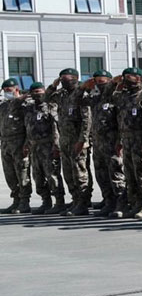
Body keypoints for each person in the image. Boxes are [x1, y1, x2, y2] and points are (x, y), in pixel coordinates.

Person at [47, 68, 91, 216]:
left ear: (75, 78)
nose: (64, 81)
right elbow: (45, 99)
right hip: (65, 140)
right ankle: (76, 200)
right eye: (62, 79)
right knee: (68, 173)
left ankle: (83, 203)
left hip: (77, 141)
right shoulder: (61, 95)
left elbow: (86, 120)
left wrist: (83, 140)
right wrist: (53, 86)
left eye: (67, 78)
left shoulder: (81, 94)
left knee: (80, 173)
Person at [115, 68, 142, 219]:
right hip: (126, 139)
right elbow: (112, 101)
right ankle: (136, 204)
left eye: (129, 77)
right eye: (125, 78)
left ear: (138, 78)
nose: (126, 80)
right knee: (130, 174)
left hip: (140, 139)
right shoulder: (124, 96)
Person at [85, 71, 125, 218]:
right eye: (97, 82)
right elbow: (76, 100)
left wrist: (120, 142)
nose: (100, 85)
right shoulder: (95, 99)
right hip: (98, 144)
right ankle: (109, 202)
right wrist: (84, 87)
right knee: (101, 175)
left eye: (103, 82)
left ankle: (121, 204)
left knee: (116, 174)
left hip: (112, 143)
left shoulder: (116, 98)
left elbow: (122, 122)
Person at [24, 82, 64, 214]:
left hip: (48, 146)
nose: (37, 95)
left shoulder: (50, 107)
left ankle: (59, 202)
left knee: (52, 174)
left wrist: (56, 146)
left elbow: (55, 127)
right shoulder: (29, 108)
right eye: (34, 92)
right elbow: (28, 128)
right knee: (38, 176)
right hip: (34, 147)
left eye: (40, 92)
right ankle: (46, 201)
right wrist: (26, 143)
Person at [1, 79, 31, 213]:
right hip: (5, 144)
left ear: (16, 89)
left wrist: (26, 144)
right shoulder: (3, 105)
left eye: (9, 90)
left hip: (19, 143)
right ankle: (16, 200)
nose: (7, 92)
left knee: (22, 172)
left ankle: (24, 202)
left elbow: (29, 126)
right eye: (5, 90)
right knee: (10, 174)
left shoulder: (24, 104)